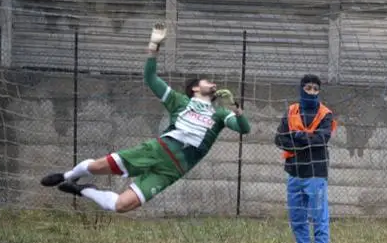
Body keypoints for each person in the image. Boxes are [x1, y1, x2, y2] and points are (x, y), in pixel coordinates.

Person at [41, 21, 251, 213]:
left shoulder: (220, 114)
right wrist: (153, 47)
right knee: (97, 167)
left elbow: (244, 128)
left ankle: (83, 189)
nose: (213, 84)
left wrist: (237, 110)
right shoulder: (180, 102)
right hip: (157, 151)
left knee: (122, 205)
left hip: (173, 169)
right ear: (195, 88)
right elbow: (150, 78)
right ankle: (67, 175)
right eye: (207, 81)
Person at [274, 74, 337, 243]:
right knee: (297, 219)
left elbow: (322, 139)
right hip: (294, 172)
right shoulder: (291, 111)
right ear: (301, 89)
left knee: (319, 217)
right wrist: (303, 140)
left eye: (315, 89)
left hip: (315, 173)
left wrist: (299, 138)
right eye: (308, 88)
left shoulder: (326, 114)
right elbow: (279, 138)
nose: (311, 92)